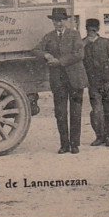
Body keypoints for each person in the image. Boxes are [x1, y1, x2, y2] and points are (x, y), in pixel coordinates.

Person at [33, 8, 88, 154]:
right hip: (58, 81)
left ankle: (74, 144)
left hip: (75, 79)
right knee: (60, 112)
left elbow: (79, 54)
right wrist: (46, 55)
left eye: (61, 20)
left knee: (75, 112)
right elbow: (36, 50)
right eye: (55, 20)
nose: (58, 23)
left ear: (66, 20)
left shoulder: (75, 34)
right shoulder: (49, 36)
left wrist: (59, 61)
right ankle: (64, 144)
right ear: (52, 22)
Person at [82, 18, 109, 147]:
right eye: (89, 29)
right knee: (97, 111)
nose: (91, 31)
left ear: (98, 29)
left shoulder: (106, 42)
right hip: (93, 84)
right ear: (86, 29)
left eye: (94, 29)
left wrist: (107, 66)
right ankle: (99, 136)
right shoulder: (83, 44)